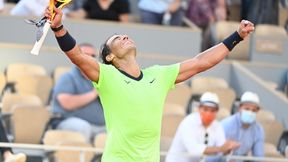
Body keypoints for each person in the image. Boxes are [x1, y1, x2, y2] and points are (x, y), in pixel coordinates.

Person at [44, 5, 254, 161]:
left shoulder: (159, 75)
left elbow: (201, 62)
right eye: (116, 38)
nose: (124, 36)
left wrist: (237, 36)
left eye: (124, 34)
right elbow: (78, 56)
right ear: (109, 57)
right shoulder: (107, 76)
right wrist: (59, 28)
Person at [51, 43, 105, 142]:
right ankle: (85, 157)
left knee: (117, 129)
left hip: (100, 126)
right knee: (83, 127)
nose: (89, 58)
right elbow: (66, 103)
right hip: (67, 121)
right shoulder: (68, 77)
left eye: (93, 56)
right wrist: (93, 94)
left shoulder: (99, 78)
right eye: (85, 55)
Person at [166, 92, 239, 162]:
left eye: (212, 110)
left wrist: (228, 149)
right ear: (199, 108)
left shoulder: (217, 126)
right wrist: (221, 149)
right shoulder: (189, 122)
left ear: (217, 111)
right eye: (206, 109)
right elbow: (194, 149)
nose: (208, 113)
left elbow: (221, 149)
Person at [221, 91, 264, 159]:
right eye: (247, 109)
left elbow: (258, 157)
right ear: (239, 108)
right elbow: (216, 153)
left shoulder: (258, 129)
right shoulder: (226, 125)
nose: (250, 112)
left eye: (253, 110)